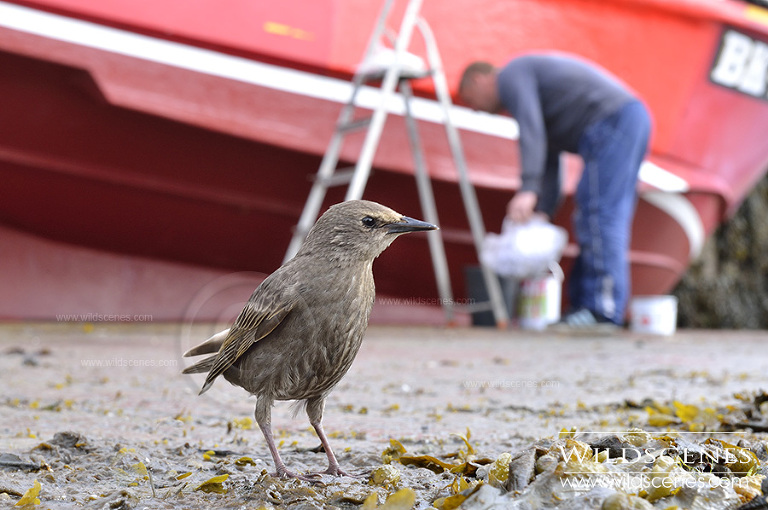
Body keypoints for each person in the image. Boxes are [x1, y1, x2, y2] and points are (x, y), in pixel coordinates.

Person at [458, 53, 652, 327]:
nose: (474, 109)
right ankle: (589, 308)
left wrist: (527, 188)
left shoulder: (512, 75)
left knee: (600, 216)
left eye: (469, 99)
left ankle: (602, 311)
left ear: (479, 80)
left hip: (614, 121)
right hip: (627, 119)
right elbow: (548, 153)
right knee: (595, 215)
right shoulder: (539, 93)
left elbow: (531, 131)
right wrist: (544, 210)